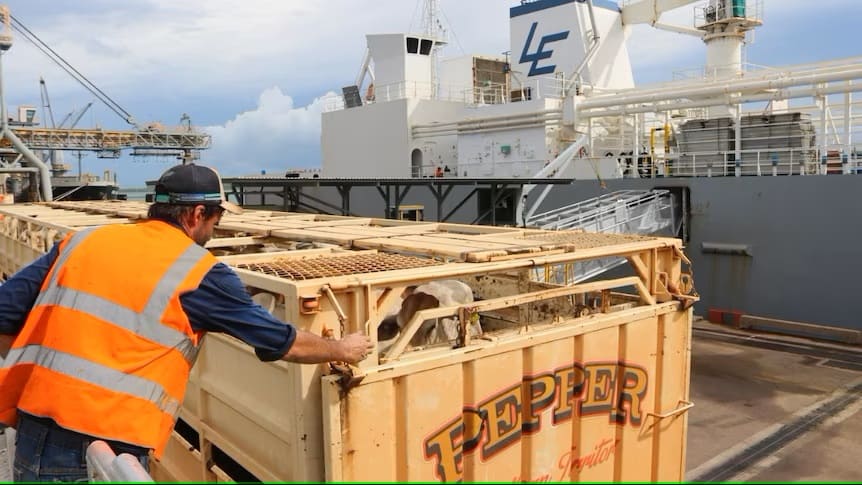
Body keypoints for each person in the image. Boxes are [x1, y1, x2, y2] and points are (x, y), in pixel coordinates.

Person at [0, 163, 373, 482]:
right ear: (197, 215)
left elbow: (4, 311)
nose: (216, 229)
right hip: (106, 449)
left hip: (32, 431)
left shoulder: (82, 242)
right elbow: (281, 341)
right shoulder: (198, 273)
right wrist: (342, 348)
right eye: (217, 218)